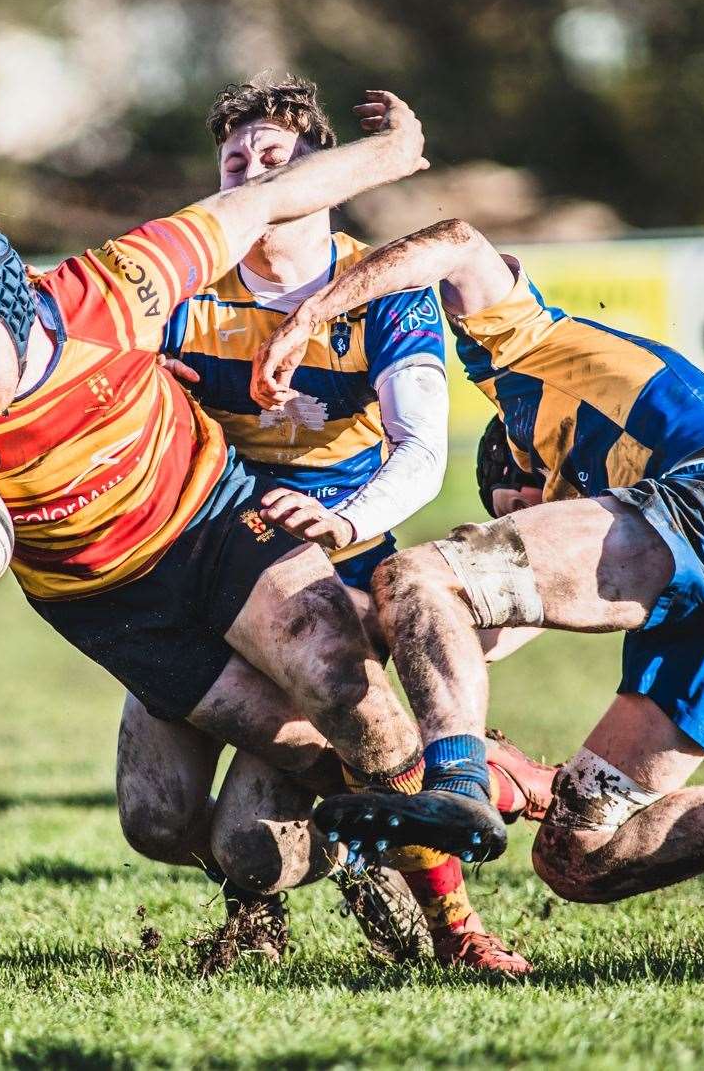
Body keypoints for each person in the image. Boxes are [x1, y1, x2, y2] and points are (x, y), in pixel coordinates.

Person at [0, 90, 466, 971]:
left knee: (344, 693)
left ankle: (457, 920)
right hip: (111, 608)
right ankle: (329, 851)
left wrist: (395, 147)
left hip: (215, 526)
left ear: (18, 309)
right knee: (165, 822)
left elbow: (259, 201)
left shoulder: (113, 288)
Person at [250, 216, 704, 927]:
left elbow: (458, 242)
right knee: (576, 852)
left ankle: (459, 783)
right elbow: (451, 634)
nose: (520, 520)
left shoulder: (519, 349)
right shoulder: (596, 530)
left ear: (513, 465)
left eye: (511, 509)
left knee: (417, 573)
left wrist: (313, 312)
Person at [128, 77, 543, 973]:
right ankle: (355, 819)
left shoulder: (381, 290)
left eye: (273, 160)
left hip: (332, 573)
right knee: (154, 820)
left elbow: (420, 452)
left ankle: (446, 918)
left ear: (326, 175)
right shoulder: (186, 291)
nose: (249, 175)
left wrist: (340, 519)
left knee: (253, 846)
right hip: (204, 564)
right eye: (234, 162)